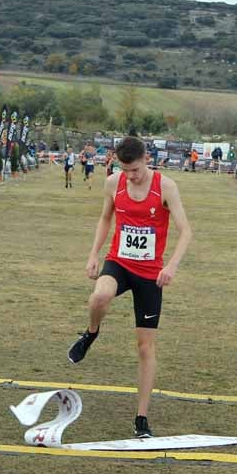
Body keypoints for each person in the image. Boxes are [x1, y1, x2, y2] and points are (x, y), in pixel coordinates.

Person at [67, 136, 193, 438]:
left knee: (145, 347)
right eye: (125, 170)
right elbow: (105, 218)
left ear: (146, 159)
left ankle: (141, 418)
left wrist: (171, 265)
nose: (131, 176)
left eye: (135, 170)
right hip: (119, 263)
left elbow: (186, 231)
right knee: (99, 296)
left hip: (150, 274)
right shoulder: (113, 183)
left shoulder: (166, 187)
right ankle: (91, 333)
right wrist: (93, 254)